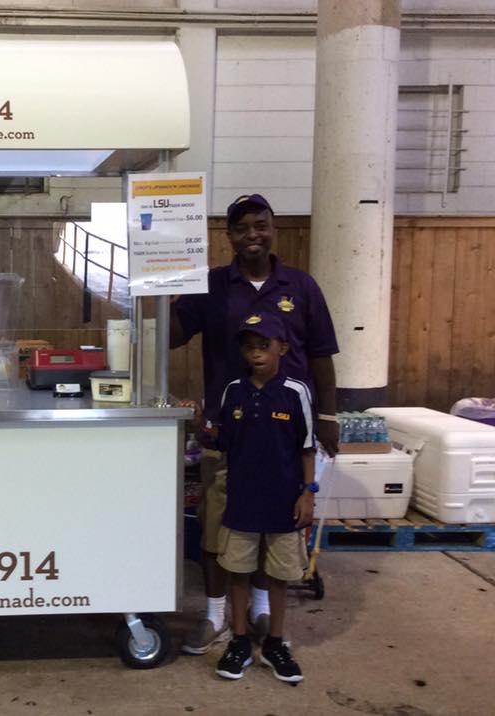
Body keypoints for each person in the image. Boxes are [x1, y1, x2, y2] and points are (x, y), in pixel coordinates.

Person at [171, 193, 339, 655]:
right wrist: (159, 285)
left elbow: (322, 355)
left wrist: (327, 416)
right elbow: (170, 337)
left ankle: (262, 609)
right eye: (242, 228)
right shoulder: (210, 285)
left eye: (260, 225)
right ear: (229, 236)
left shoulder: (301, 286)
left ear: (273, 229)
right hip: (227, 433)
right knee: (216, 526)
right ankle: (215, 615)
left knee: (276, 524)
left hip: (285, 436)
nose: (252, 235)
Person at [209, 312, 316, 682]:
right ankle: (238, 640)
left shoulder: (296, 392)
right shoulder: (233, 390)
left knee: (279, 576)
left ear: (282, 348)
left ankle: (275, 642)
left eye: (264, 346)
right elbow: (223, 443)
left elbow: (306, 448)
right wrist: (198, 425)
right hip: (242, 501)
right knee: (237, 573)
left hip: (283, 502)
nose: (256, 354)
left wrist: (308, 493)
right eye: (249, 347)